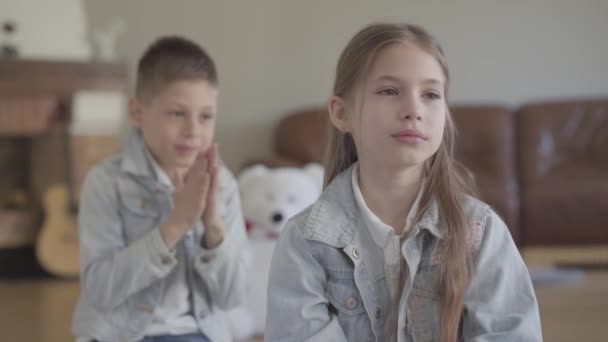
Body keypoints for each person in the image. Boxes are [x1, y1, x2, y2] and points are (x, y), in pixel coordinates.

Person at [265, 23, 541, 342]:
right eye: (389, 91)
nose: (413, 110)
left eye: (431, 94)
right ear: (341, 113)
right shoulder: (305, 243)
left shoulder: (481, 232)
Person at [72, 36, 250, 342]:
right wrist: (177, 224)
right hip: (117, 334)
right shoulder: (105, 182)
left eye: (206, 116)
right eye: (177, 113)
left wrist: (213, 229)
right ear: (137, 113)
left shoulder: (225, 186)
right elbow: (100, 290)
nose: (194, 130)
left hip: (196, 333)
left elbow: (232, 297)